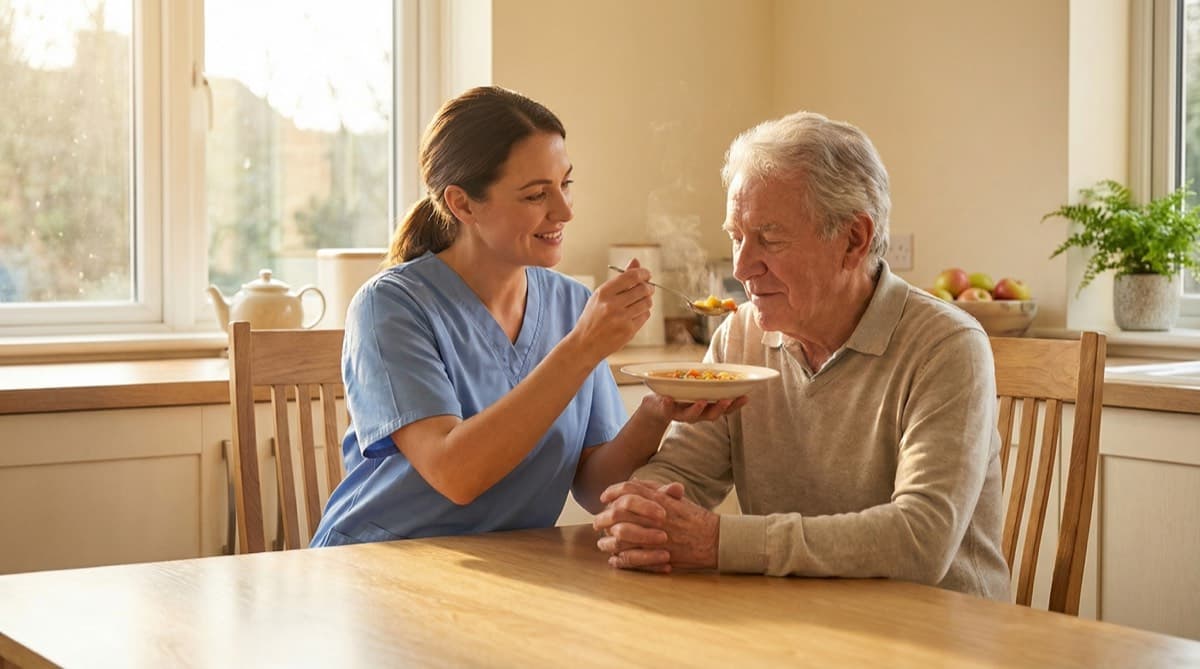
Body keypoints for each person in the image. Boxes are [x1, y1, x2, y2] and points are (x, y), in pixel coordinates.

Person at [592, 111, 1010, 600]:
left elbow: (920, 540)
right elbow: (682, 474)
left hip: (941, 635)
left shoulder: (947, 344)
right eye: (736, 237)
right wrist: (645, 507)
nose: (743, 267)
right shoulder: (739, 336)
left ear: (853, 239)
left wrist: (718, 541)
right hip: (795, 618)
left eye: (769, 238)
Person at [310, 86, 743, 547]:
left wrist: (658, 412)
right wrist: (583, 347)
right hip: (378, 566)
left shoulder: (572, 305)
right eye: (538, 195)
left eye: (566, 185)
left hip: (506, 572)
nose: (565, 211)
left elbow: (596, 489)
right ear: (463, 203)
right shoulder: (390, 307)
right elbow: (455, 474)